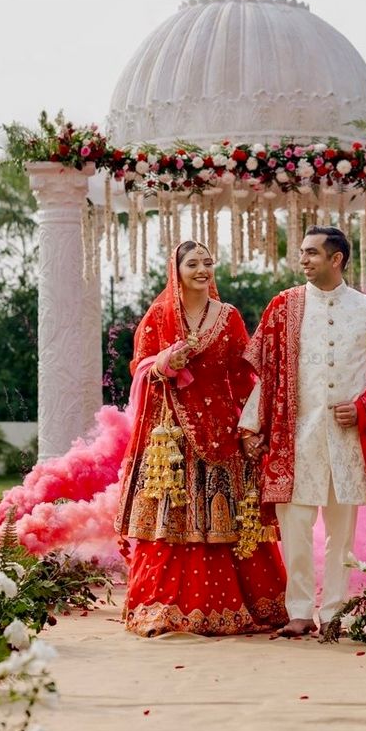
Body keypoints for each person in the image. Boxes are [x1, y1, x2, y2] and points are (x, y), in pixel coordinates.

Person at [114, 241, 288, 637]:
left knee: (228, 516)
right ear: (176, 271)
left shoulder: (228, 317)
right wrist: (163, 363)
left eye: (208, 262)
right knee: (175, 516)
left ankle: (246, 607)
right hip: (172, 434)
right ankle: (166, 609)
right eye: (192, 263)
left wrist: (251, 426)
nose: (202, 269)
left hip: (224, 428)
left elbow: (243, 372)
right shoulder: (159, 316)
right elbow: (138, 366)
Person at [239, 226, 366, 637]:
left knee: (341, 535)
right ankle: (298, 612)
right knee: (295, 529)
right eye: (302, 253)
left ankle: (334, 613)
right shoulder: (285, 306)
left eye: (312, 253)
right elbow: (268, 373)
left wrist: (364, 407)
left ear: (337, 258)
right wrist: (251, 423)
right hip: (295, 437)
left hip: (347, 440)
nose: (304, 260)